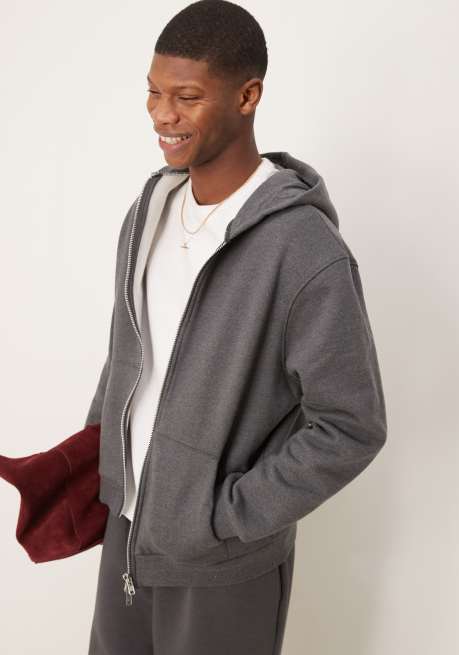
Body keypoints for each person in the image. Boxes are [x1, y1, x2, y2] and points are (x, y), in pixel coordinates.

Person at [87, 1, 387, 653]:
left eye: (187, 97)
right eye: (153, 92)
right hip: (127, 537)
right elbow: (129, 353)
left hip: (221, 565)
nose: (162, 114)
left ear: (247, 96)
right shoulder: (148, 211)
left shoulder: (303, 249)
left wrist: (225, 515)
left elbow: (351, 425)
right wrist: (95, 462)